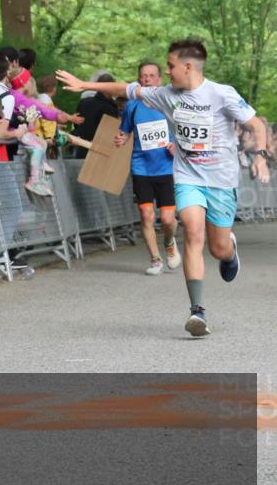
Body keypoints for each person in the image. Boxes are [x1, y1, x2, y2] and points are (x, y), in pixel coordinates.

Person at [56, 39, 270, 337]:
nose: (167, 72)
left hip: (221, 181)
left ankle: (229, 251)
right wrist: (84, 85)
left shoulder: (222, 95)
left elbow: (257, 125)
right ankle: (197, 312)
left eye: (170, 66)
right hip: (187, 177)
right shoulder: (166, 95)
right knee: (192, 232)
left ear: (188, 66)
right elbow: (125, 88)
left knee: (217, 247)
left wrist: (260, 156)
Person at [113, 61, 181, 276]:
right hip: (141, 166)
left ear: (159, 79)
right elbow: (124, 132)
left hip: (166, 168)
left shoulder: (170, 104)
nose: (148, 79)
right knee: (146, 214)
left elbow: (184, 132)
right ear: (139, 79)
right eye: (144, 76)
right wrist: (121, 139)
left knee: (169, 219)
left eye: (152, 75)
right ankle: (155, 259)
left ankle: (169, 242)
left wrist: (176, 146)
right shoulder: (132, 106)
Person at [72, 73, 119, 158]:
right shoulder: (109, 108)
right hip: (100, 153)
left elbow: (76, 123)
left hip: (81, 148)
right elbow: (112, 133)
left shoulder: (84, 102)